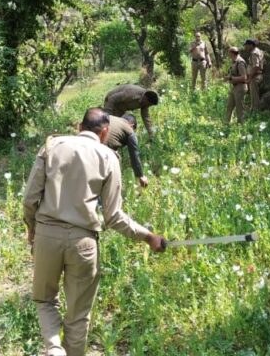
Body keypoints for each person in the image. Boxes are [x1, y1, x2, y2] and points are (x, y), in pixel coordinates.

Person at [23, 108, 165, 356]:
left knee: (45, 300)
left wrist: (32, 228)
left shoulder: (52, 146)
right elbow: (114, 216)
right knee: (78, 315)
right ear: (105, 132)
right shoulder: (109, 158)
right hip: (83, 242)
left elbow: (29, 199)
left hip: (47, 236)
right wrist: (149, 236)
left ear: (79, 127)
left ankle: (54, 349)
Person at [105, 114, 149, 188]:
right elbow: (134, 155)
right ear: (132, 125)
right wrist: (141, 176)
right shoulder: (129, 130)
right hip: (104, 154)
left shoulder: (109, 117)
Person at [223, 46, 248, 125]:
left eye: (229, 52)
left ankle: (241, 125)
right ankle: (226, 123)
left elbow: (244, 77)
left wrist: (231, 78)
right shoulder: (234, 62)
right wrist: (228, 77)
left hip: (240, 87)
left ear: (232, 53)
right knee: (229, 105)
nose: (228, 54)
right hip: (234, 87)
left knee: (240, 108)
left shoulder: (240, 62)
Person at [243, 39, 265, 111]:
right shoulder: (258, 51)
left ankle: (256, 111)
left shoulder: (254, 53)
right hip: (256, 76)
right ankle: (254, 109)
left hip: (255, 77)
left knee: (254, 95)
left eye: (246, 46)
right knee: (254, 94)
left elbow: (256, 67)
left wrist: (250, 77)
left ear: (251, 45)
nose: (245, 47)